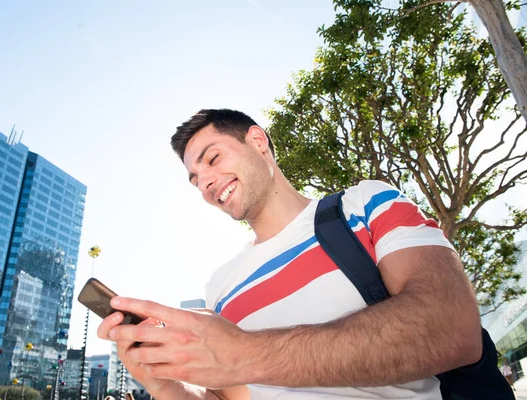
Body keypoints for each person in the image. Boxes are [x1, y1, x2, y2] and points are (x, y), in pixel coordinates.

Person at [98, 109, 483, 399]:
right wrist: (164, 385)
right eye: (195, 180)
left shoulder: (365, 205)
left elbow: (451, 327)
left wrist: (243, 351)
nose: (206, 183)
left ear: (258, 141)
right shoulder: (221, 287)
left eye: (213, 159)